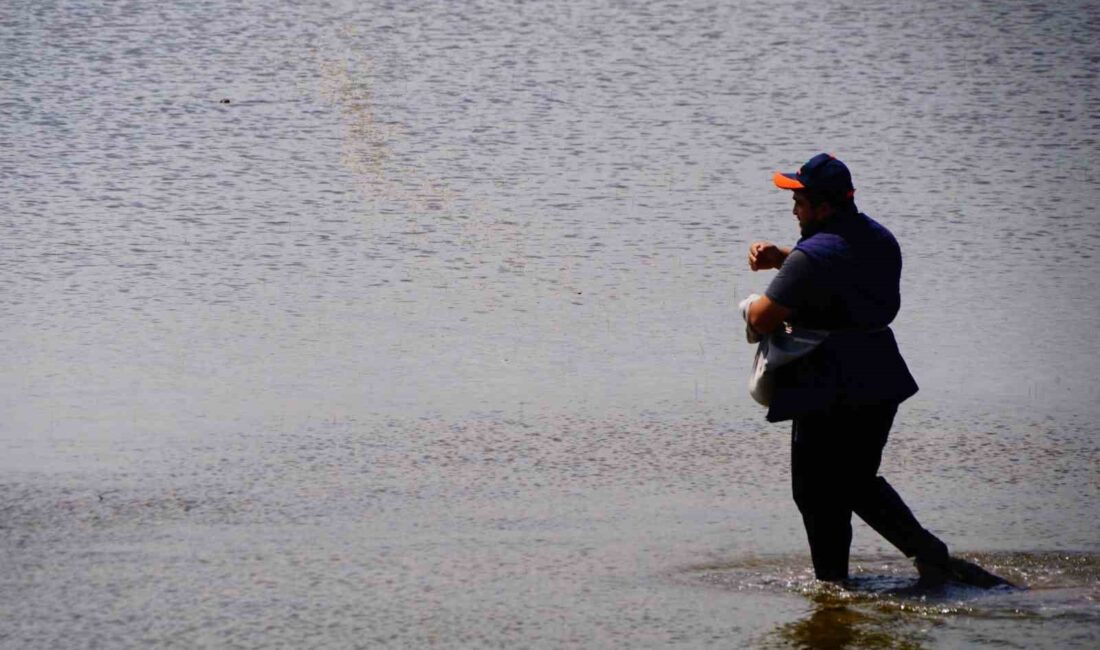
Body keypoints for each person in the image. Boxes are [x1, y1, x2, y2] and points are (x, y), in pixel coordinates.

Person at [746, 153, 1011, 588]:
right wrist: (786, 259)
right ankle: (925, 556)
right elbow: (840, 263)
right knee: (854, 481)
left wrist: (756, 298)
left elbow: (762, 319)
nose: (794, 210)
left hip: (827, 383)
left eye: (800, 201)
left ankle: (835, 584)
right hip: (880, 377)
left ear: (824, 207)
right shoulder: (880, 239)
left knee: (815, 491)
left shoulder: (810, 260)